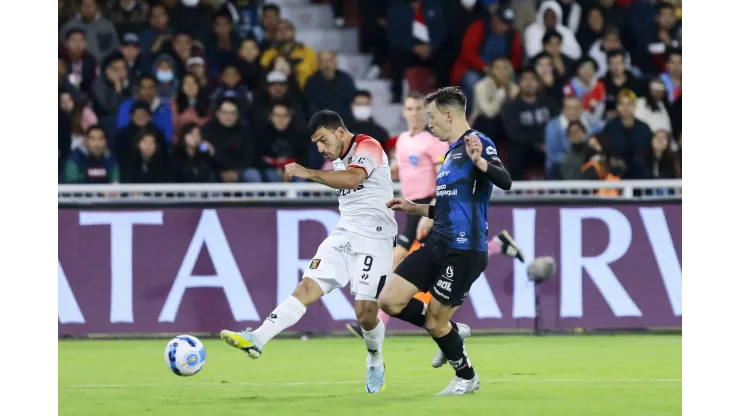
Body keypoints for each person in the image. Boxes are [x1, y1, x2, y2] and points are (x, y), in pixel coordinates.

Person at [219, 110, 396, 394]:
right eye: (316, 144)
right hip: (345, 233)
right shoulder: (338, 157)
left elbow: (352, 180)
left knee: (365, 313)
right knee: (306, 287)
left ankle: (375, 358)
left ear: (340, 132)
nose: (321, 149)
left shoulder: (368, 146)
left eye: (323, 140)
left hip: (376, 239)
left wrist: (308, 172)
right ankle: (258, 339)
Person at [379, 87, 512, 396]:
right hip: (438, 242)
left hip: (464, 251)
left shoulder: (477, 144)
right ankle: (452, 332)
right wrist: (417, 208)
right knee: (389, 300)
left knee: (435, 323)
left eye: (432, 116)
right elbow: (450, 205)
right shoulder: (451, 152)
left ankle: (466, 377)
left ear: (449, 115)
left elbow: (504, 180)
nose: (430, 122)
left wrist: (481, 163)